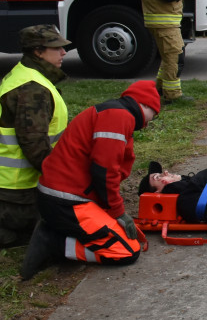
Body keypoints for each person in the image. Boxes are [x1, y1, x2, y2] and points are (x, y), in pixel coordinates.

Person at [21, 81, 162, 280]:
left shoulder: (113, 113)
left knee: (125, 240)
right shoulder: (119, 117)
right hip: (67, 202)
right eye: (154, 115)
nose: (150, 122)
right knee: (127, 252)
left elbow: (106, 170)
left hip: (63, 196)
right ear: (145, 105)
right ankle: (54, 242)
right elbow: (105, 172)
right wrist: (117, 212)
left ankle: (58, 235)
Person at [0, 25, 71, 248]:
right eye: (56, 48)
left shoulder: (24, 75)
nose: (64, 52)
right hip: (17, 193)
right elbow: (34, 146)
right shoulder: (32, 90)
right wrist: (65, 181)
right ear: (38, 52)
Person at [141, 0, 194, 104]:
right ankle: (173, 95)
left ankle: (159, 89)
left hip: (164, 21)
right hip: (164, 22)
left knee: (168, 57)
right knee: (175, 57)